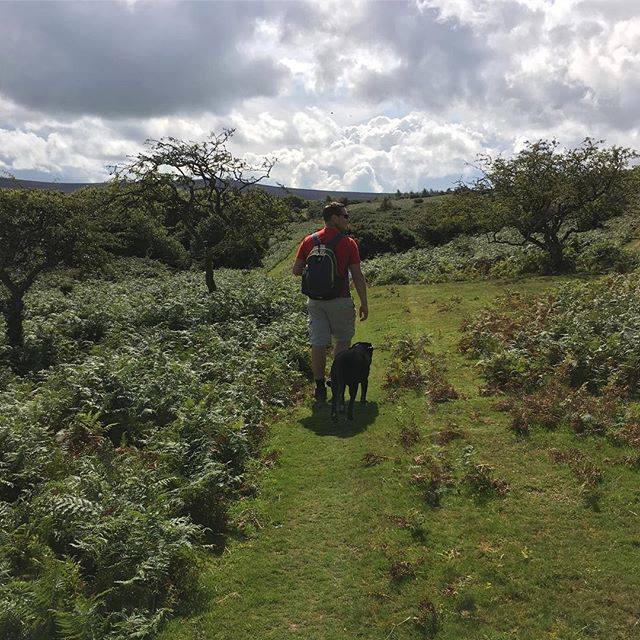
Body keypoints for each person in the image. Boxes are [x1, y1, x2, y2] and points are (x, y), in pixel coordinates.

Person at [292, 201, 369, 401]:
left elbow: (296, 270)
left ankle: (319, 387)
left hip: (315, 301)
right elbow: (357, 275)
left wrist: (315, 272)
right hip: (340, 299)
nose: (347, 220)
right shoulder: (348, 243)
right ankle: (336, 380)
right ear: (334, 218)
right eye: (345, 216)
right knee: (342, 340)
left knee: (318, 342)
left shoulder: (309, 240)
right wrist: (364, 302)